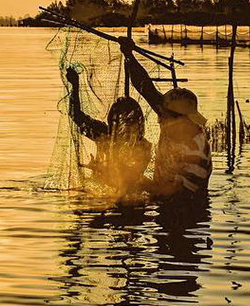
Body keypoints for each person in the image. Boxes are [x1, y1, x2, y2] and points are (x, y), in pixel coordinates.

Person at [117, 36, 212, 201]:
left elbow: (170, 192)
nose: (160, 118)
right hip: (162, 200)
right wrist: (129, 55)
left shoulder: (195, 153)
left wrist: (136, 178)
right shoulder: (171, 119)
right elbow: (145, 87)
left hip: (186, 212)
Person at [65, 66, 152, 198]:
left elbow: (131, 177)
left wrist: (102, 168)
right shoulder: (103, 134)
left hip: (129, 197)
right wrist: (75, 87)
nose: (124, 127)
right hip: (103, 191)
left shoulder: (144, 147)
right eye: (119, 120)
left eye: (129, 121)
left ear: (138, 123)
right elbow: (76, 116)